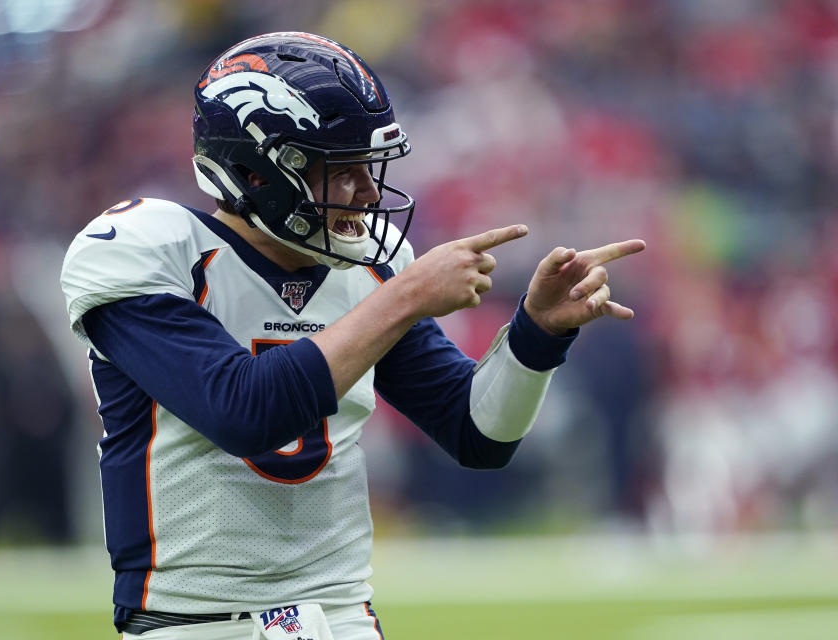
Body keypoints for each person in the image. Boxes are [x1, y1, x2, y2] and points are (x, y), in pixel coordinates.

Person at [60, 31, 645, 640]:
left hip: (341, 617)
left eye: (369, 167)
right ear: (256, 173)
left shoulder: (368, 267)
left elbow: (478, 434)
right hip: (192, 621)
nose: (368, 193)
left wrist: (536, 335)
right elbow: (242, 412)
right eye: (340, 170)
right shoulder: (147, 249)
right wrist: (406, 296)